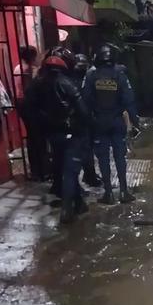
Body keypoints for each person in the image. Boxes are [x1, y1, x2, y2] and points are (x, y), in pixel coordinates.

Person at [29, 47, 92, 224]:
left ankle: (78, 202)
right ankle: (67, 208)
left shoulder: (37, 84)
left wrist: (39, 129)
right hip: (71, 133)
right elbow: (82, 111)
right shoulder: (67, 83)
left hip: (52, 134)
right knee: (70, 171)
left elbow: (29, 108)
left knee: (62, 166)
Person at [83, 44, 141, 204]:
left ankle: (108, 193)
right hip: (117, 122)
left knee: (103, 159)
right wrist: (136, 122)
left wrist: (87, 123)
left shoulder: (91, 76)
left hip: (99, 123)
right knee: (120, 157)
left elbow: (85, 101)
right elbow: (129, 100)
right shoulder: (120, 75)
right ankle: (123, 191)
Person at [14, 46, 50, 183]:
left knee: (31, 136)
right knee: (38, 137)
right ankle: (40, 169)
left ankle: (36, 169)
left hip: (20, 103)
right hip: (30, 105)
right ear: (32, 57)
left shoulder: (18, 68)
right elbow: (32, 91)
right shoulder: (29, 71)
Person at [71, 53, 104, 188]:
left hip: (86, 119)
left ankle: (89, 175)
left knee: (88, 149)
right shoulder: (72, 81)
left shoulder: (88, 79)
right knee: (84, 150)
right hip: (78, 120)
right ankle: (88, 176)